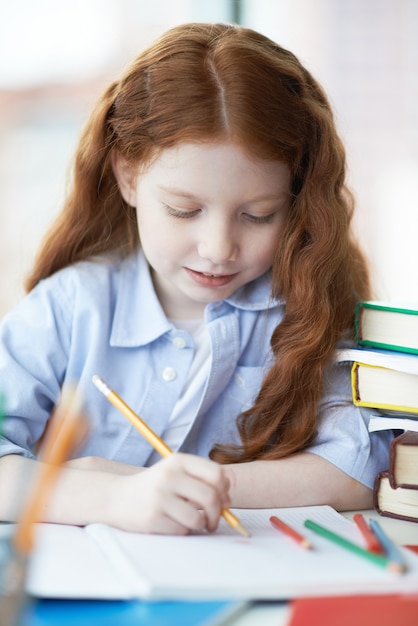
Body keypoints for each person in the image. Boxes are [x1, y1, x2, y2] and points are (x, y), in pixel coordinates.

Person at [0, 22, 392, 535]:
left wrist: (188, 486)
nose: (217, 249)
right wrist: (112, 495)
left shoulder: (306, 309)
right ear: (128, 176)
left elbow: (359, 467)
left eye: (258, 215)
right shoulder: (71, 307)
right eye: (184, 210)